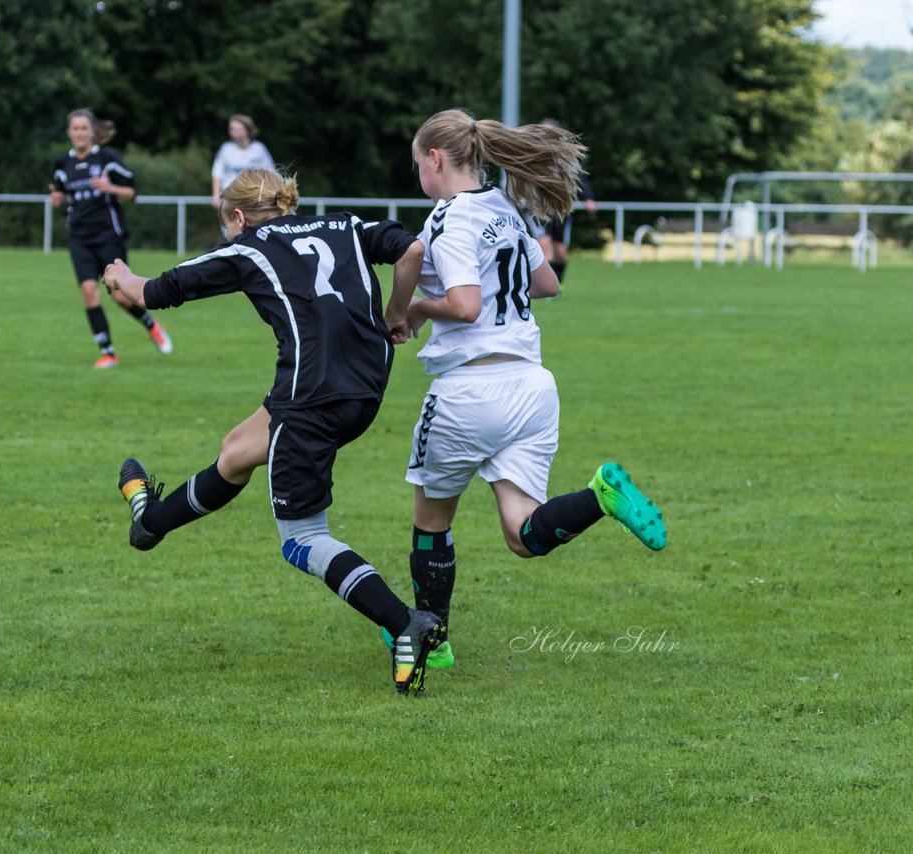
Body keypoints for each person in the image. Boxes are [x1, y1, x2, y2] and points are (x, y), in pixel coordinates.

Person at [104, 168, 443, 695]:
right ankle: (151, 523)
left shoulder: (247, 248)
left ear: (238, 216)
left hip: (311, 400)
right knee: (238, 449)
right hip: (364, 389)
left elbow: (153, 291)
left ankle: (405, 623)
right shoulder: (345, 224)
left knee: (303, 539)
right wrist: (396, 312)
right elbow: (414, 251)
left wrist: (118, 274)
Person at [392, 108, 667, 668]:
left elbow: (464, 307)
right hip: (532, 388)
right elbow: (546, 283)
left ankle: (432, 640)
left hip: (469, 391)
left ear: (436, 160)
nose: (419, 174)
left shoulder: (447, 218)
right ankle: (600, 497)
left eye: (418, 164)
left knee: (431, 522)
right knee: (523, 534)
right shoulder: (504, 208)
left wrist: (416, 306)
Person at [49, 108, 172, 369]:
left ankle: (152, 326)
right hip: (78, 237)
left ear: (93, 131)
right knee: (89, 293)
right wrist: (57, 199)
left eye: (84, 128)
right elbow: (59, 193)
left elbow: (131, 192)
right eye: (75, 128)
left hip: (108, 236)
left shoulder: (108, 159)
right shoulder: (62, 164)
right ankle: (108, 353)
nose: (80, 133)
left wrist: (110, 188)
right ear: (69, 132)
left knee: (119, 296)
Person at [532, 119, 597, 283]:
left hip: (561, 210)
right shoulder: (533, 155)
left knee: (560, 253)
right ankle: (548, 287)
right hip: (540, 210)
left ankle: (558, 284)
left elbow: (580, 179)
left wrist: (588, 198)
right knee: (545, 247)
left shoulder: (565, 158)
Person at [210, 114, 276, 209]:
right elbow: (217, 173)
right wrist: (215, 196)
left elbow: (271, 173)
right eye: (232, 129)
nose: (234, 132)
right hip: (230, 198)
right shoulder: (226, 148)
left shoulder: (259, 149)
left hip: (254, 198)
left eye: (238, 129)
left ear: (247, 130)